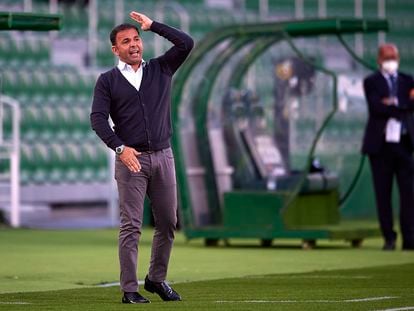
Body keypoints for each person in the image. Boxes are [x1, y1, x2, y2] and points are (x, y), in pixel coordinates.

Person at [90, 11, 193, 303]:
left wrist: (154, 26)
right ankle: (129, 290)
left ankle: (156, 280)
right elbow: (97, 119)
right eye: (126, 41)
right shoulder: (107, 80)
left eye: (136, 39)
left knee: (168, 223)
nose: (134, 45)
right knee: (131, 226)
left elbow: (186, 43)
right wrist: (120, 148)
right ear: (115, 49)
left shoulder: (161, 68)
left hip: (164, 156)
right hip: (130, 161)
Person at [362, 43, 414, 251]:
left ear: (398, 58)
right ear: (379, 60)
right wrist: (400, 106)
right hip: (380, 147)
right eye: (386, 58)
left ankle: (409, 238)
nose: (390, 61)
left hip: (403, 144)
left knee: (408, 195)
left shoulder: (408, 81)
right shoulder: (371, 81)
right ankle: (389, 237)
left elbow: (410, 105)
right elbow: (376, 107)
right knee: (383, 195)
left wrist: (392, 104)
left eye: (393, 57)